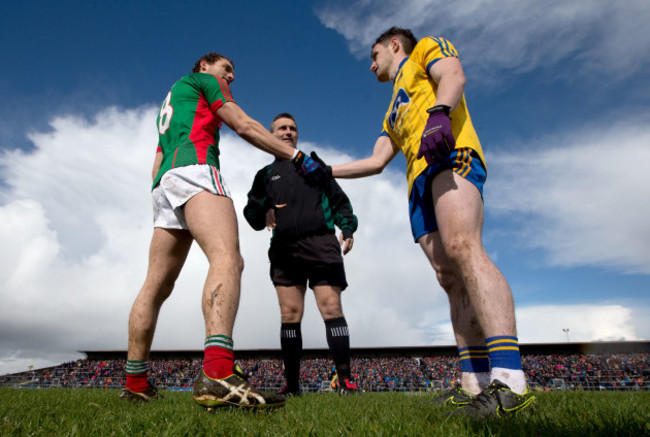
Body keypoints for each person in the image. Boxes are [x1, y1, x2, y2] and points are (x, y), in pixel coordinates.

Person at [324, 27, 536, 418]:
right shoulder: (393, 108)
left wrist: (440, 113)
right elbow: (375, 161)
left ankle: (511, 380)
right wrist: (326, 171)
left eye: (374, 55)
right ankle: (475, 384)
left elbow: (454, 76)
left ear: (393, 45)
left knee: (463, 248)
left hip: (449, 154)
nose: (371, 65)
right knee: (448, 276)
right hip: (416, 182)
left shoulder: (425, 49)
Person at [120, 53, 327, 409]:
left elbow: (157, 156)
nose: (231, 76)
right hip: (196, 168)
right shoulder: (204, 82)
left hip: (164, 182)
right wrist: (295, 156)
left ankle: (135, 382)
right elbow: (243, 124)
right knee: (228, 259)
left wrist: (161, 193)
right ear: (204, 66)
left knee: (155, 285)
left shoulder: (170, 99)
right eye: (226, 69)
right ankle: (217, 371)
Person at [243, 113, 359, 396]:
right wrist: (265, 209)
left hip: (321, 243)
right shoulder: (265, 175)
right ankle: (292, 387)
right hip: (284, 247)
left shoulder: (315, 167)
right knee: (289, 314)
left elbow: (341, 202)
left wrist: (347, 228)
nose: (287, 132)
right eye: (281, 128)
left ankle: (345, 381)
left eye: (292, 128)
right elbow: (251, 214)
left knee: (331, 308)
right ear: (271, 135)